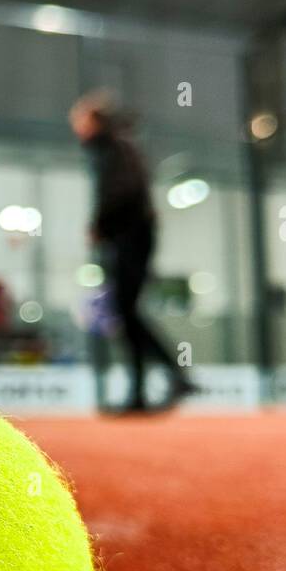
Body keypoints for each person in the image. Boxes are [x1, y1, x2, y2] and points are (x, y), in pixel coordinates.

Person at [70, 91, 192, 412]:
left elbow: (123, 192)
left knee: (127, 312)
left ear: (94, 121)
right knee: (127, 314)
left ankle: (174, 375)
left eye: (80, 120)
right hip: (127, 237)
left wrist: (99, 224)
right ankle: (145, 392)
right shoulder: (113, 148)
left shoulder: (114, 148)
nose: (76, 127)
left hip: (132, 237)